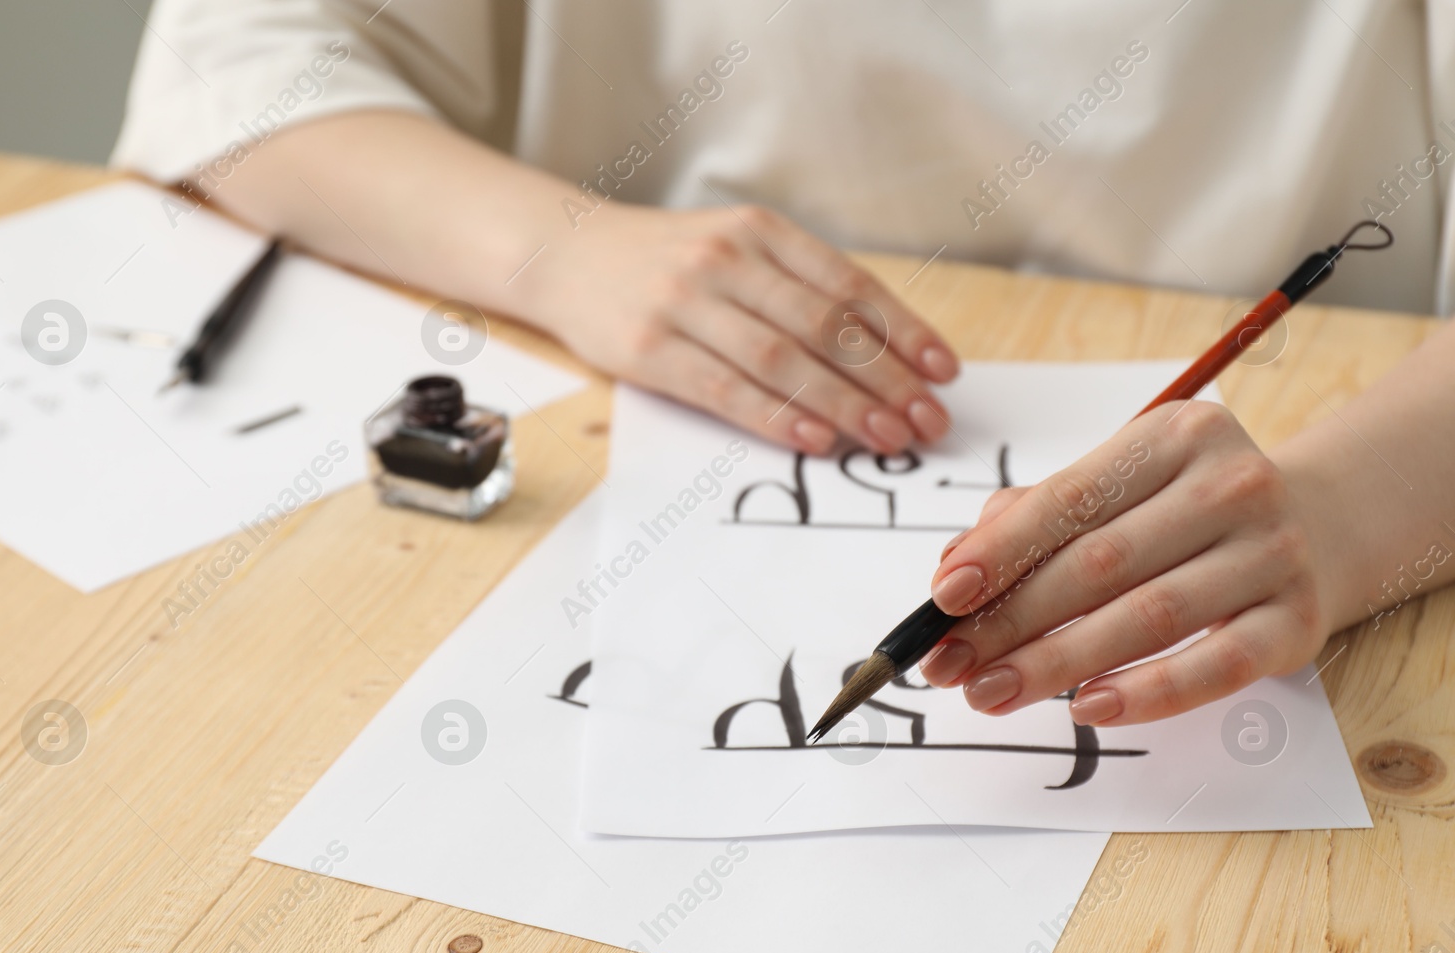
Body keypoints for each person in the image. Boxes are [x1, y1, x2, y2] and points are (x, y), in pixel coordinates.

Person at [113, 0, 1455, 724]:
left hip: (1344, 433)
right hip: (631, 410)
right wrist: (557, 252)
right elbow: (240, 58)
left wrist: (1339, 516)